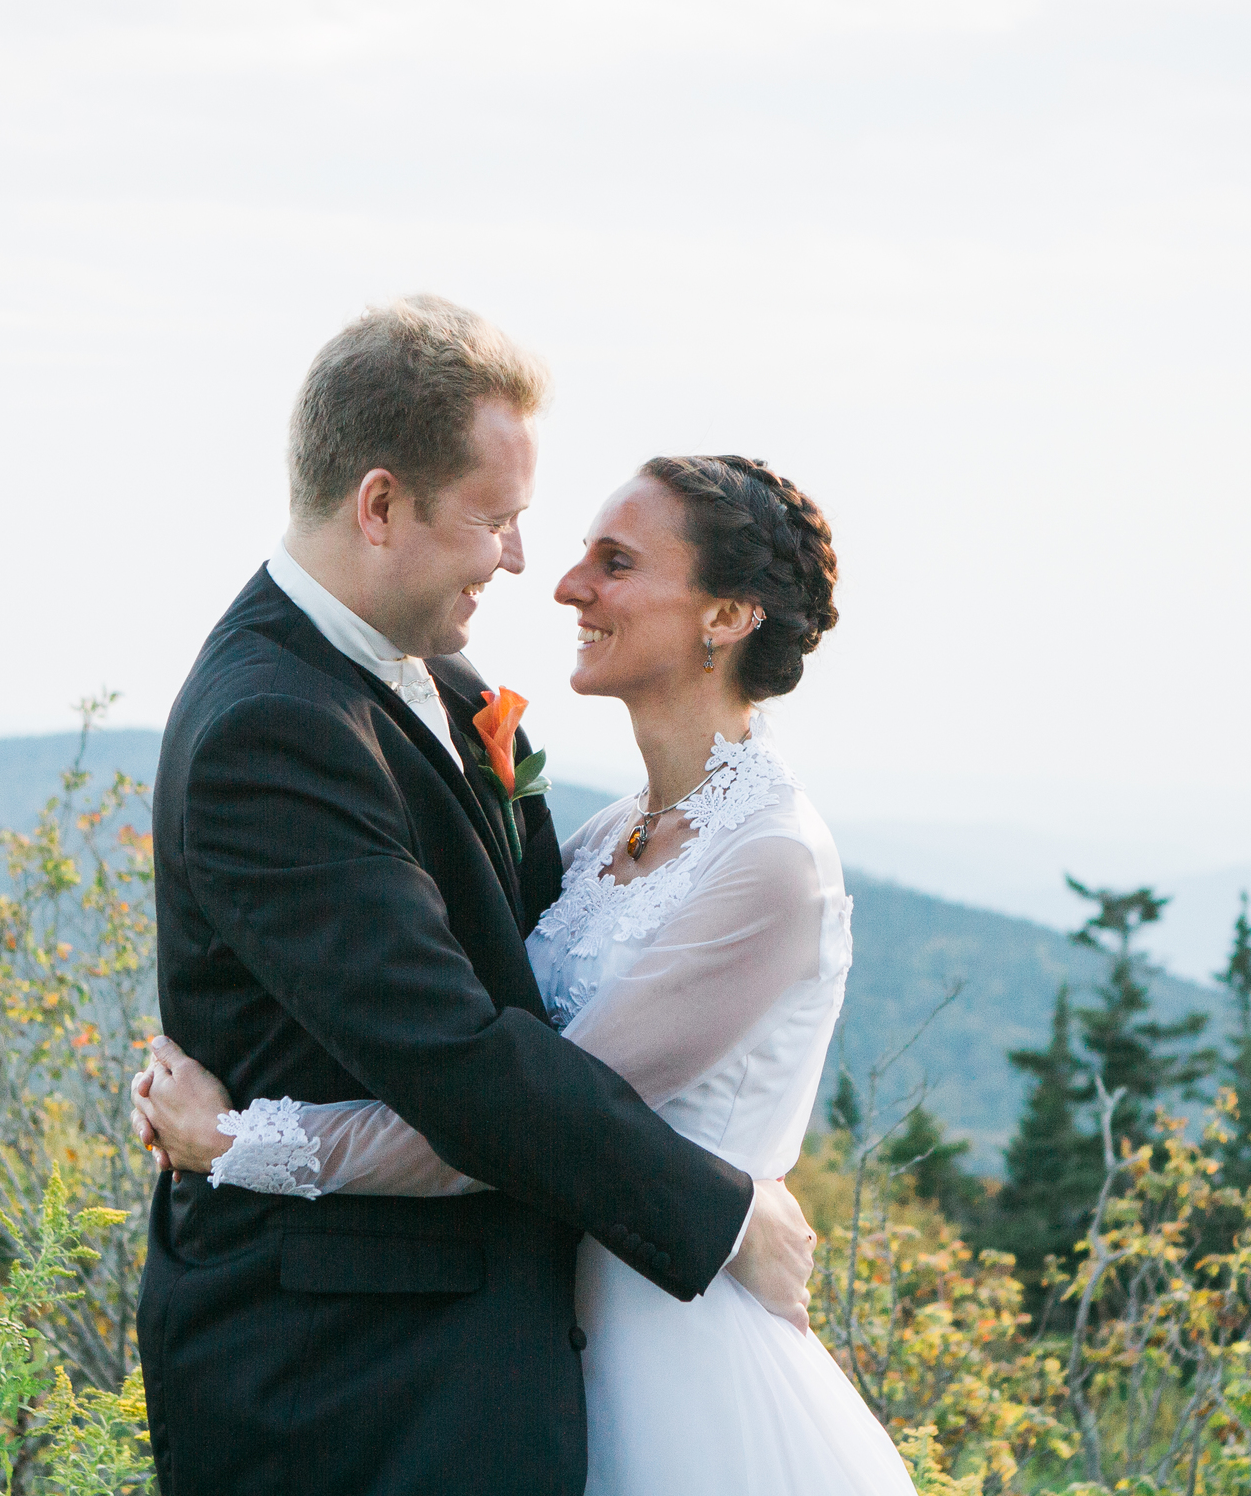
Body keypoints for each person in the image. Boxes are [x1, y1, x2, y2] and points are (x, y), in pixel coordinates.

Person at [131, 298, 818, 1496]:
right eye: (495, 519)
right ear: (382, 504)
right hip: (341, 1377)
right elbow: (455, 1053)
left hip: (496, 1349)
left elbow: (533, 961)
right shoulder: (269, 728)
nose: (521, 563)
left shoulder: (441, 673)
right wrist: (716, 1212)